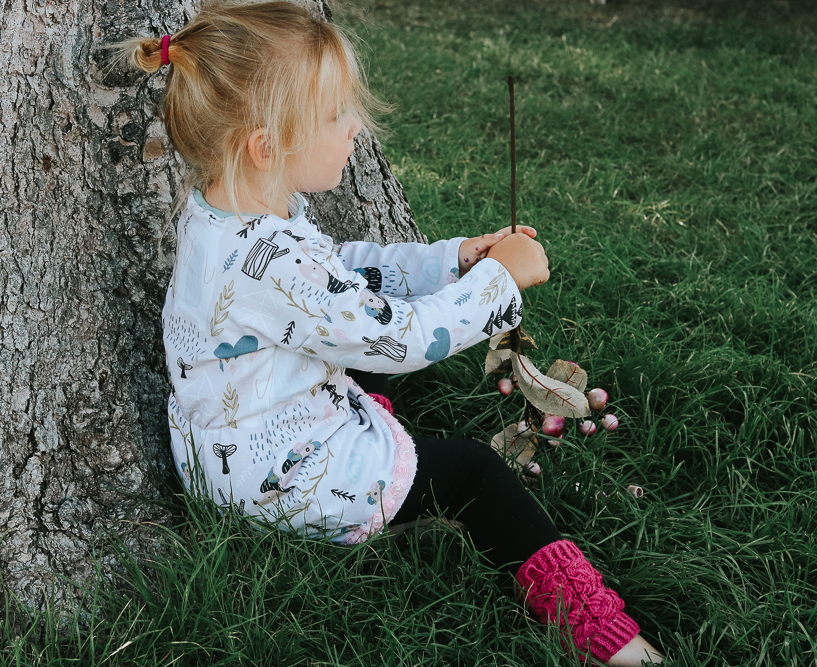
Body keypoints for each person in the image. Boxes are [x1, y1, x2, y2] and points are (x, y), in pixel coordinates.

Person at [115, 2, 664, 664]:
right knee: (474, 472)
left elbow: (341, 275)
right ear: (266, 144)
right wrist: (498, 285)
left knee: (357, 335)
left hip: (224, 446)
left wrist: (453, 259)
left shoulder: (227, 214)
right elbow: (401, 340)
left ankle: (371, 444)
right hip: (275, 482)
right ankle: (612, 641)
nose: (355, 130)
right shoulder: (275, 259)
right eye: (335, 116)